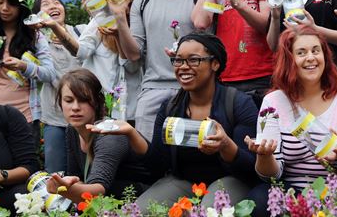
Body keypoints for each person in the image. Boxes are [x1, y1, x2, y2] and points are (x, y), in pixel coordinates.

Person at [90, 32, 259, 214]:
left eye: (193, 60)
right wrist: (131, 133)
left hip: (230, 179)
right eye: (178, 61)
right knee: (134, 213)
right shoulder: (171, 108)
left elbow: (251, 168)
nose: (183, 67)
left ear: (215, 64)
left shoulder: (237, 103)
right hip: (184, 181)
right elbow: (156, 167)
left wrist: (226, 145)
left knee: (209, 212)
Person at [246, 26, 337, 216]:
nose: (311, 58)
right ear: (289, 60)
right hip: (292, 191)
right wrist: (264, 156)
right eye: (301, 53)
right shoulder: (272, 103)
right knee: (258, 199)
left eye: (316, 50)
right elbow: (271, 175)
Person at [110, 0, 196, 140]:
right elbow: (133, 54)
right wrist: (120, 20)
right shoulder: (142, 1)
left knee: (188, 156)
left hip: (190, 91)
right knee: (148, 157)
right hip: (151, 91)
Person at [46, 69, 150, 203]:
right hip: (107, 199)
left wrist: (64, 190)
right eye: (69, 100)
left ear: (97, 102)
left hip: (140, 198)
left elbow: (97, 189)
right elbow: (77, 178)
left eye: (83, 100)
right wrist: (67, 184)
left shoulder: (110, 135)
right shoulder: (72, 130)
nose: (75, 107)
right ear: (60, 103)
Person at [0, 0, 56, 139]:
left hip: (23, 118)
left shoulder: (34, 36)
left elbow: (49, 74)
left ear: (21, 6)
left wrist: (24, 66)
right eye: (0, 2)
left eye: (11, 4)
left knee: (24, 164)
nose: (4, 8)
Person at [32, 0, 85, 173]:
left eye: (57, 3)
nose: (53, 6)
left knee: (87, 173)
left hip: (86, 117)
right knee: (56, 174)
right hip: (55, 119)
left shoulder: (82, 32)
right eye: (45, 4)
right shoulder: (36, 43)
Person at [0, 104, 39, 214]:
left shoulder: (5, 116)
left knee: (27, 195)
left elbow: (30, 167)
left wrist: (0, 175)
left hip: (4, 196)